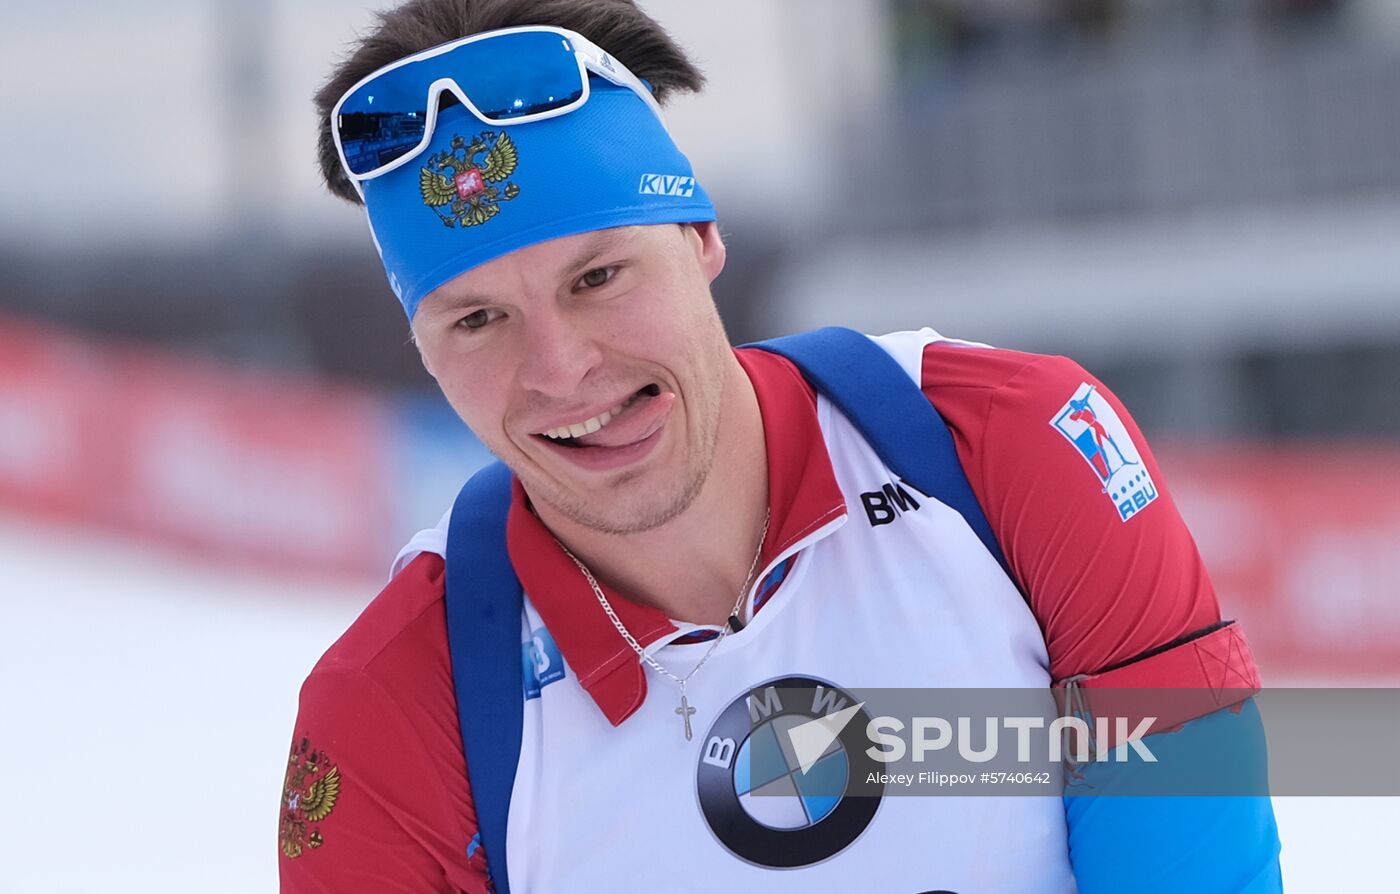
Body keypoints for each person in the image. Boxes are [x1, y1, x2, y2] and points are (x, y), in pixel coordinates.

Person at [279, 1, 1282, 891]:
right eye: (476, 321)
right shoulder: (395, 707)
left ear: (701, 237)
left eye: (597, 278)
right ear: (422, 347)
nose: (557, 368)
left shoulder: (1009, 448)